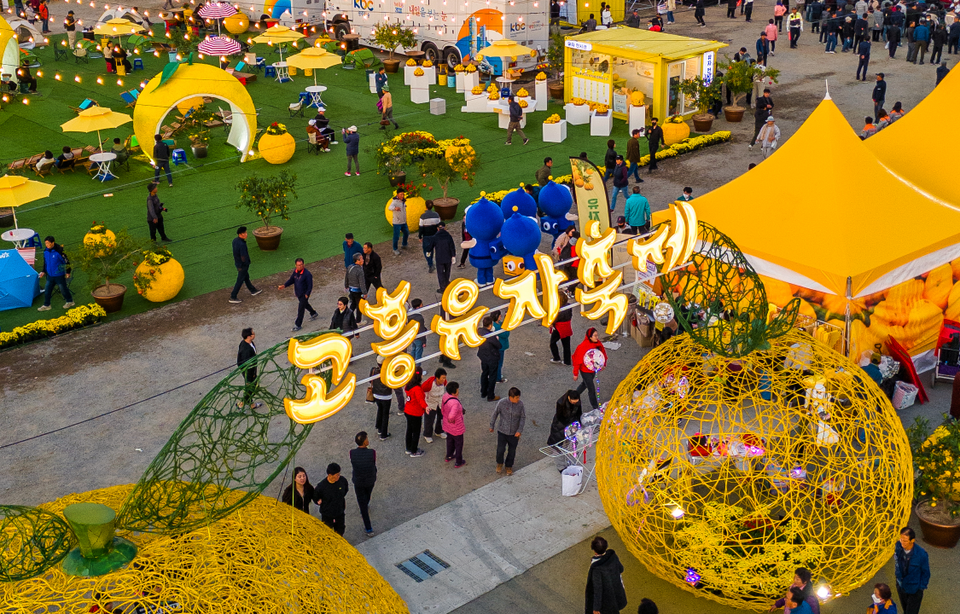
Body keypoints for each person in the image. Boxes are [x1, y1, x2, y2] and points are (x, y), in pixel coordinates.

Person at [584, 535, 628, 614]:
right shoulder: (613, 556)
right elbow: (621, 569)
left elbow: (598, 589)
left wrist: (596, 608)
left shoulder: (596, 569)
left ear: (594, 550)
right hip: (617, 591)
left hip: (607, 599)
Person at [489, 387, 525, 475]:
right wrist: (492, 425)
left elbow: (522, 418)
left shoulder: (520, 405)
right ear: (511, 397)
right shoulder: (502, 403)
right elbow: (495, 414)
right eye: (516, 397)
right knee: (500, 450)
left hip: (514, 433)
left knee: (512, 451)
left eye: (519, 397)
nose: (518, 399)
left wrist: (519, 430)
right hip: (502, 431)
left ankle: (509, 466)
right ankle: (499, 463)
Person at [894, 527, 930, 614]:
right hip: (901, 585)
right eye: (901, 539)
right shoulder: (898, 546)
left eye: (905, 541)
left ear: (912, 540)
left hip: (914, 589)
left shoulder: (921, 554)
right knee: (906, 609)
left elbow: (926, 572)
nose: (902, 542)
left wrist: (920, 588)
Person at [349, 432, 378, 536]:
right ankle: (367, 525)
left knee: (361, 501)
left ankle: (368, 528)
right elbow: (373, 463)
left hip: (359, 481)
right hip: (370, 480)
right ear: (364, 442)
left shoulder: (352, 453)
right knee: (367, 495)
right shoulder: (372, 452)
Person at [279, 258, 318, 332]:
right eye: (298, 265)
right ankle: (313, 313)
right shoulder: (295, 272)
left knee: (301, 309)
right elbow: (291, 280)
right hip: (298, 293)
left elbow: (310, 285)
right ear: (295, 265)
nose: (300, 266)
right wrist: (284, 285)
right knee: (305, 304)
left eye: (301, 265)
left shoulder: (307, 274)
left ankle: (298, 324)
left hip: (304, 294)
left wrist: (307, 294)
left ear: (304, 264)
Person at [37, 236, 74, 312]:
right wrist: (43, 271)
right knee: (47, 290)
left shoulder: (59, 252)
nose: (46, 245)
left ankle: (70, 301)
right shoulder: (46, 251)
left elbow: (67, 262)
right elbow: (45, 262)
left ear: (52, 243)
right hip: (50, 275)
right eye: (45, 243)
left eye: (48, 243)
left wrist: (68, 272)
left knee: (63, 289)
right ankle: (47, 305)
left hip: (59, 275)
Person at [573, 327, 607, 410]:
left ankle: (573, 396)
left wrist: (603, 364)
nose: (597, 337)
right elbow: (577, 361)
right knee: (591, 389)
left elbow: (602, 354)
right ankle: (595, 407)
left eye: (597, 335)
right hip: (585, 371)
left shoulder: (598, 344)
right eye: (595, 336)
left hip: (592, 370)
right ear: (590, 337)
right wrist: (575, 373)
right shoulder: (582, 347)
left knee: (585, 384)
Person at [548, 390, 582, 469]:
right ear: (569, 398)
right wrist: (570, 426)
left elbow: (579, 414)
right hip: (560, 427)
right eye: (573, 402)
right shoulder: (561, 402)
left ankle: (571, 462)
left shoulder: (577, 402)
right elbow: (560, 417)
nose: (574, 404)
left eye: (576, 402)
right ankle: (561, 467)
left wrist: (578, 425)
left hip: (572, 426)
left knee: (571, 445)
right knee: (558, 447)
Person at [313, 463, 349, 536]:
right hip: (327, 514)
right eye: (337, 475)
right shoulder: (321, 486)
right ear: (330, 475)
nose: (338, 476)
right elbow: (315, 497)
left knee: (340, 530)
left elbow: (345, 490)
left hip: (339, 511)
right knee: (327, 532)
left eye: (339, 474)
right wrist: (318, 501)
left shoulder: (342, 481)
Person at [229, 226, 262, 304]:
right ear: (240, 234)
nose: (246, 234)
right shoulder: (242, 244)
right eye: (244, 233)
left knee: (246, 277)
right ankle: (233, 296)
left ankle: (253, 290)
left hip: (238, 264)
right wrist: (246, 263)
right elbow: (243, 256)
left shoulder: (235, 241)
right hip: (243, 265)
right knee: (240, 280)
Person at [477, 315, 502, 402]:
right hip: (492, 357)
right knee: (492, 376)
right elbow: (499, 345)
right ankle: (491, 395)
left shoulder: (480, 331)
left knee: (484, 373)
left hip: (483, 356)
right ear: (490, 325)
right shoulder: (490, 335)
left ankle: (483, 392)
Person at [441, 381, 466, 467]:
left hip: (447, 426)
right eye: (457, 390)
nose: (458, 391)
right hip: (456, 427)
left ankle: (449, 455)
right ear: (453, 392)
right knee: (458, 444)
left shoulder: (445, 396)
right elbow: (451, 416)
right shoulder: (455, 403)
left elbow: (442, 409)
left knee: (450, 441)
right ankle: (459, 461)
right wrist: (451, 420)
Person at [403, 369, 427, 457]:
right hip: (415, 412)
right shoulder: (417, 389)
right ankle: (414, 450)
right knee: (416, 432)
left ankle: (408, 448)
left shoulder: (408, 385)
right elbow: (420, 400)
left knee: (409, 430)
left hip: (408, 410)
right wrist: (426, 407)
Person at [422, 367, 448, 442]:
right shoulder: (428, 384)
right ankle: (427, 434)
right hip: (430, 404)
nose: (444, 380)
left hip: (440, 403)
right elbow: (422, 390)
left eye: (444, 378)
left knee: (441, 417)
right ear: (437, 378)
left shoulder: (444, 382)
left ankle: (439, 431)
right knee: (429, 420)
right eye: (442, 378)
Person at [370, 357, 393, 439]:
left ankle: (379, 427)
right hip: (386, 395)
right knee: (385, 414)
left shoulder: (373, 370)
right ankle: (384, 434)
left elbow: (370, 381)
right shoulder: (388, 371)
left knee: (380, 410)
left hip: (376, 394)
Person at [550, 292, 575, 365]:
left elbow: (555, 319)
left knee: (552, 343)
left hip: (558, 327)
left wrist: (551, 323)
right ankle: (567, 361)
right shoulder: (569, 306)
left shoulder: (558, 309)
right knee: (566, 345)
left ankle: (556, 358)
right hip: (566, 326)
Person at [418, 200, 441, 274]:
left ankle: (430, 263)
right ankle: (436, 263)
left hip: (427, 237)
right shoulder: (436, 215)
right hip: (435, 236)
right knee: (435, 249)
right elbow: (439, 225)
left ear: (426, 207)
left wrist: (420, 236)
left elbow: (421, 228)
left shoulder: (423, 216)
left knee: (427, 251)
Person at [434, 221, 456, 293]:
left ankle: (442, 287)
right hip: (447, 257)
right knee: (447, 271)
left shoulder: (436, 236)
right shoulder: (448, 236)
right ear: (445, 228)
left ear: (438, 228)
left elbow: (431, 245)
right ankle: (446, 283)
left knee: (440, 273)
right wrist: (453, 255)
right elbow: (452, 246)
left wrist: (428, 251)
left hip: (439, 258)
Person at [344, 252, 366, 323]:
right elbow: (362, 283)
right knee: (359, 306)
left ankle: (347, 317)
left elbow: (346, 277)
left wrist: (346, 286)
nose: (363, 260)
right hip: (358, 292)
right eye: (361, 259)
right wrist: (365, 293)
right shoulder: (359, 270)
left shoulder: (350, 267)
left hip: (351, 290)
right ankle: (358, 321)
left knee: (353, 304)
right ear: (357, 261)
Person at [491, 309, 510, 383]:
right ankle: (498, 378)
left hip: (496, 347)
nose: (500, 316)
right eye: (499, 315)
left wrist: (506, 318)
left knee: (497, 362)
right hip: (500, 347)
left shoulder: (494, 324)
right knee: (499, 363)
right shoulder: (497, 327)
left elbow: (502, 324)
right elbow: (506, 334)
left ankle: (496, 375)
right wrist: (508, 328)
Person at [389, 189, 409, 256]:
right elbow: (390, 207)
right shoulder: (395, 201)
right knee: (396, 236)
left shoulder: (403, 201)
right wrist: (395, 208)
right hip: (397, 223)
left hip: (403, 222)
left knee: (406, 233)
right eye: (401, 194)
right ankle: (395, 249)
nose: (402, 196)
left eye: (403, 194)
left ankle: (404, 244)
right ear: (397, 195)